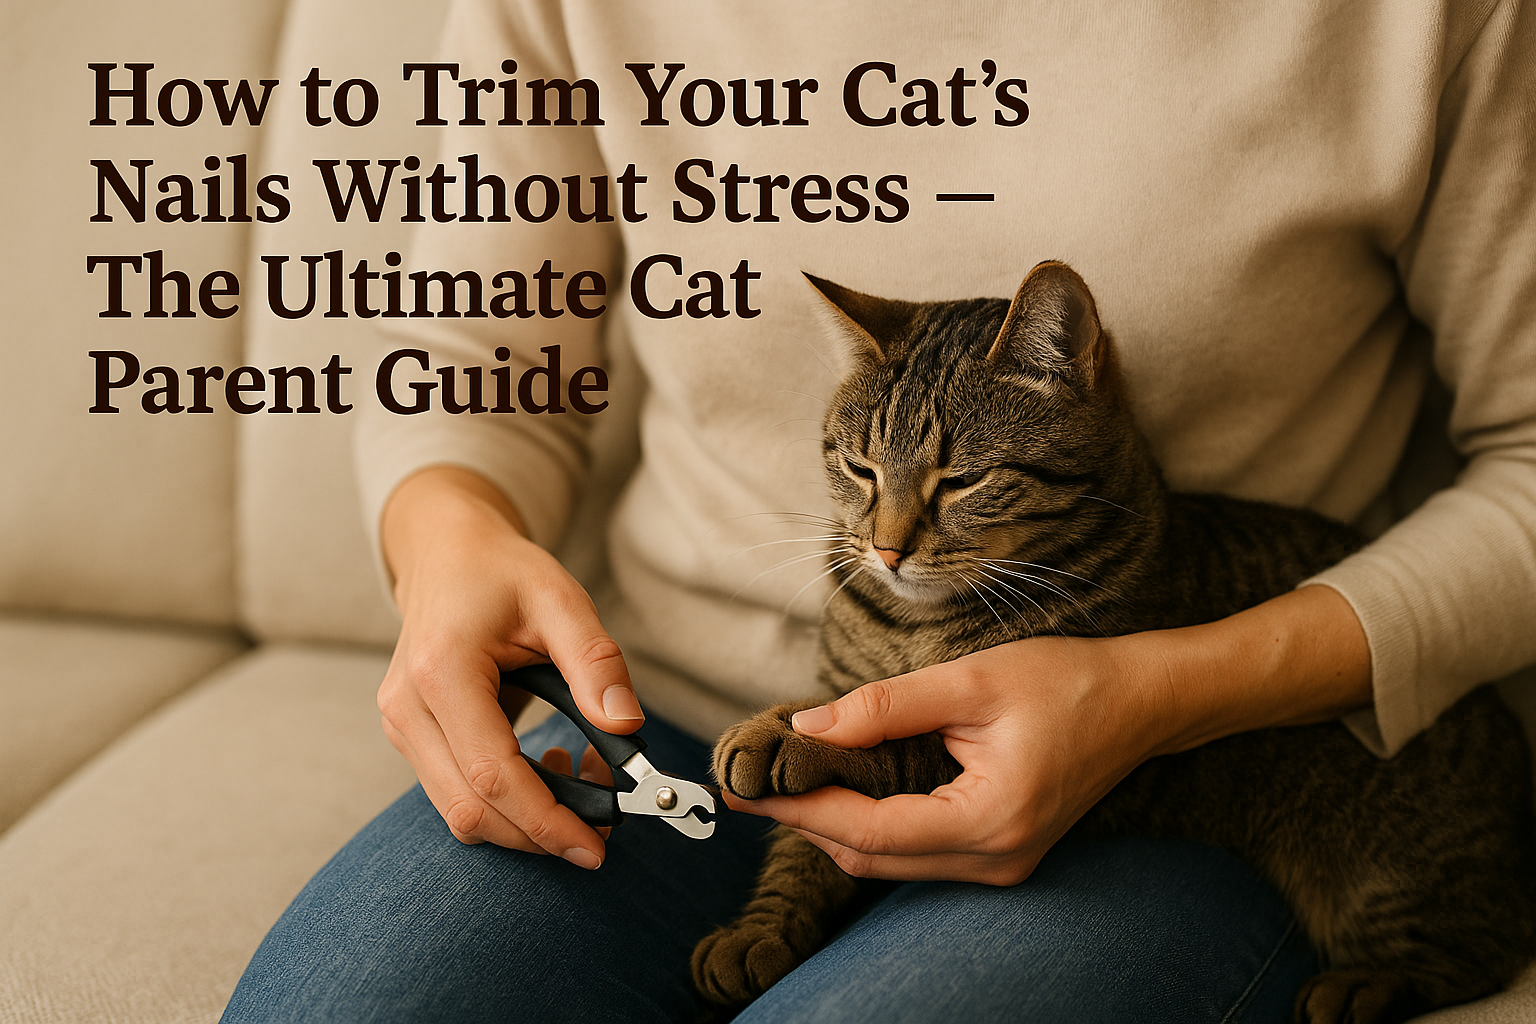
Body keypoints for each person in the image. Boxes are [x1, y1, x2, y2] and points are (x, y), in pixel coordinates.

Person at [220, 1, 1536, 1021]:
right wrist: (447, 548)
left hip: (1163, 779)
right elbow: (474, 364)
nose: (895, 534)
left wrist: (1165, 692)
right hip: (661, 718)